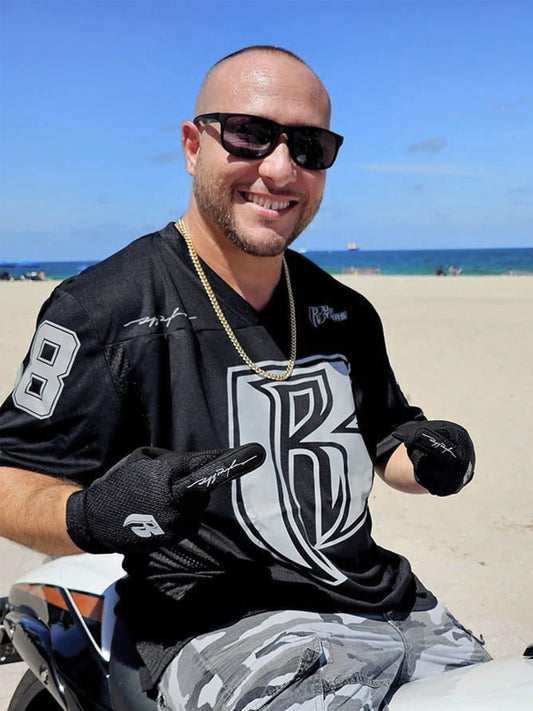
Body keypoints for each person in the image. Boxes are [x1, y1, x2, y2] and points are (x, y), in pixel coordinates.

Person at [0, 46, 490, 710]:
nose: (281, 168)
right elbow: (11, 475)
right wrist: (94, 514)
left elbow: (383, 440)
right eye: (249, 134)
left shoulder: (345, 312)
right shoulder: (102, 309)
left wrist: (427, 455)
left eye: (309, 146)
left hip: (394, 606)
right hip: (220, 625)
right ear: (191, 144)